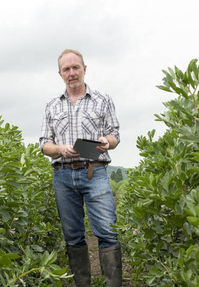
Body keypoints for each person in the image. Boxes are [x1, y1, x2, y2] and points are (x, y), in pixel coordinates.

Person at [39, 49, 122, 286]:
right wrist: (60, 149)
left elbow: (115, 135)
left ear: (84, 69)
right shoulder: (52, 105)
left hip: (95, 171)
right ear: (60, 74)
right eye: (66, 69)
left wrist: (108, 142)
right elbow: (44, 144)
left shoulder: (102, 100)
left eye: (76, 67)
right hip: (63, 175)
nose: (72, 73)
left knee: (107, 232)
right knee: (73, 237)